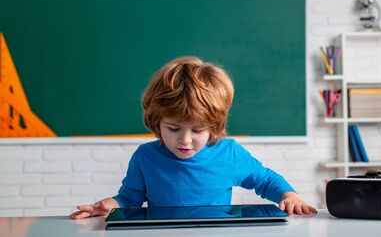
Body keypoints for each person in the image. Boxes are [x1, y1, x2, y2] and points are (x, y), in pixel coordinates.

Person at [70, 56, 317, 220]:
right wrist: (111, 205)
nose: (185, 141)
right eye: (173, 128)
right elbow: (130, 198)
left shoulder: (229, 152)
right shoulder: (145, 157)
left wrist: (288, 195)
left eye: (197, 130)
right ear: (157, 122)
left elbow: (264, 180)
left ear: (214, 126)